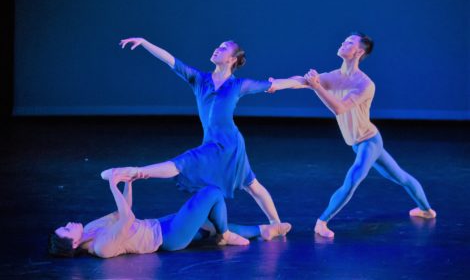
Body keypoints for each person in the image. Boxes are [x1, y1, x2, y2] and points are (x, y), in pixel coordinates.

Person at [101, 38, 301, 225]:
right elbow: (171, 60)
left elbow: (278, 84)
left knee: (195, 164)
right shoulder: (199, 79)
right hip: (213, 141)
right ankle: (276, 224)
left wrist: (306, 82)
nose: (217, 49)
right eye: (218, 46)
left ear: (232, 59)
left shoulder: (239, 85)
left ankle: (135, 172)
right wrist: (145, 43)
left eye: (223, 48)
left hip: (230, 143)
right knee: (252, 185)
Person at [269, 32, 436, 238]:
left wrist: (317, 86)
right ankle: (427, 211)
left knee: (354, 178)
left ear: (359, 51)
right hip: (357, 142)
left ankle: (322, 222)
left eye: (349, 42)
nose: (343, 43)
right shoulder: (334, 76)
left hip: (369, 140)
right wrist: (278, 83)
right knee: (400, 176)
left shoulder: (365, 84)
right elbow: (302, 81)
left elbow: (339, 108)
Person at [48, 173, 292, 258]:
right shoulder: (101, 247)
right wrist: (112, 186)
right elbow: (127, 220)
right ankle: (227, 234)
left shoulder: (91, 227)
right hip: (168, 237)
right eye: (67, 229)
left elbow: (122, 211)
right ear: (75, 243)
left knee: (210, 226)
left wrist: (128, 182)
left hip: (160, 223)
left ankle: (264, 230)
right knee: (212, 193)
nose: (69, 224)